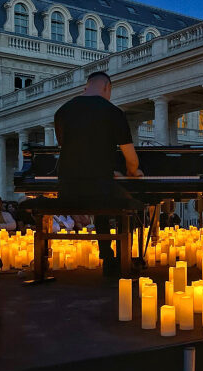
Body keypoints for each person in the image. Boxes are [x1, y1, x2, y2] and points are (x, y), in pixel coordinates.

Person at [53, 71, 143, 276]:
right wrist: (131, 171)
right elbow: (131, 158)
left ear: (86, 87)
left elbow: (74, 150)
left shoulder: (62, 112)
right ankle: (121, 258)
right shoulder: (113, 112)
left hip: (67, 190)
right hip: (100, 187)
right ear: (106, 88)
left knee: (103, 195)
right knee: (128, 202)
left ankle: (108, 256)